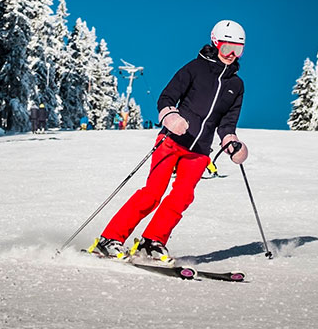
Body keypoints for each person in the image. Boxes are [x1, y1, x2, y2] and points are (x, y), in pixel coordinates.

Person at [89, 19, 249, 262]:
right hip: (172, 140)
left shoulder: (236, 85)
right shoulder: (195, 68)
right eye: (227, 48)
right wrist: (171, 117)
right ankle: (110, 239)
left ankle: (152, 242)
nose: (231, 55)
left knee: (182, 197)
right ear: (216, 44)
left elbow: (227, 122)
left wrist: (231, 142)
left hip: (199, 152)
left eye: (238, 50)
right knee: (152, 193)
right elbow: (166, 98)